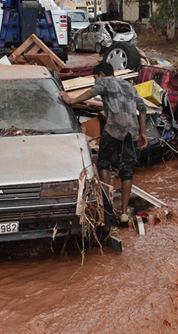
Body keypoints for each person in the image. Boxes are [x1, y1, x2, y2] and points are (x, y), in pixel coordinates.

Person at [58, 62, 147, 225]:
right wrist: (142, 132)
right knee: (127, 170)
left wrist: (71, 100)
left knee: (104, 162)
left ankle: (108, 207)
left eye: (94, 77)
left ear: (101, 74)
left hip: (113, 128)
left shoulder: (104, 81)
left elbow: (91, 92)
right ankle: (124, 213)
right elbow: (143, 108)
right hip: (132, 131)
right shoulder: (129, 86)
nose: (94, 81)